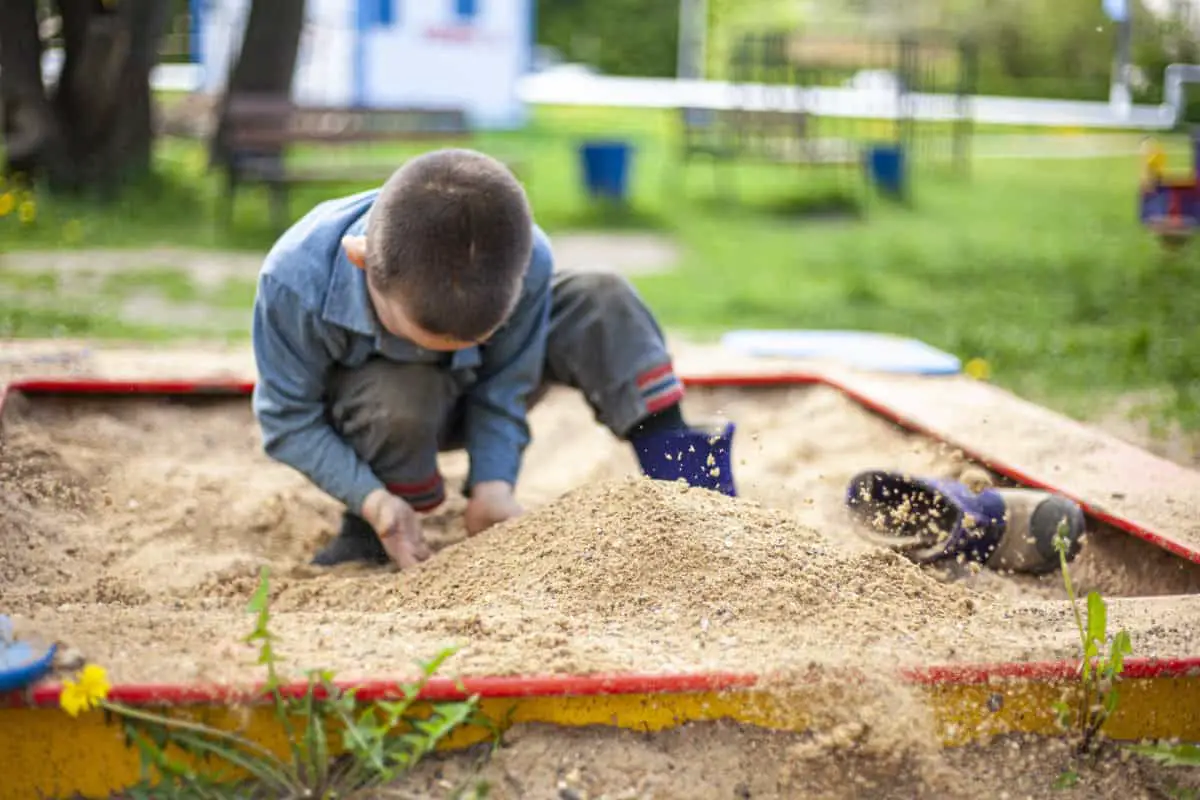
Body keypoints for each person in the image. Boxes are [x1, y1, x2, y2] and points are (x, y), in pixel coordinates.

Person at [250, 148, 737, 570]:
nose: (454, 355)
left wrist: (493, 484)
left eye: (478, 336)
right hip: (383, 408)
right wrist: (373, 501)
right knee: (402, 391)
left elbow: (506, 382)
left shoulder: (529, 256)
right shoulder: (294, 280)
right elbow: (287, 418)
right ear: (361, 259)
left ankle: (692, 494)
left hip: (481, 390)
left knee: (602, 300)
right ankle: (370, 531)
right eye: (429, 339)